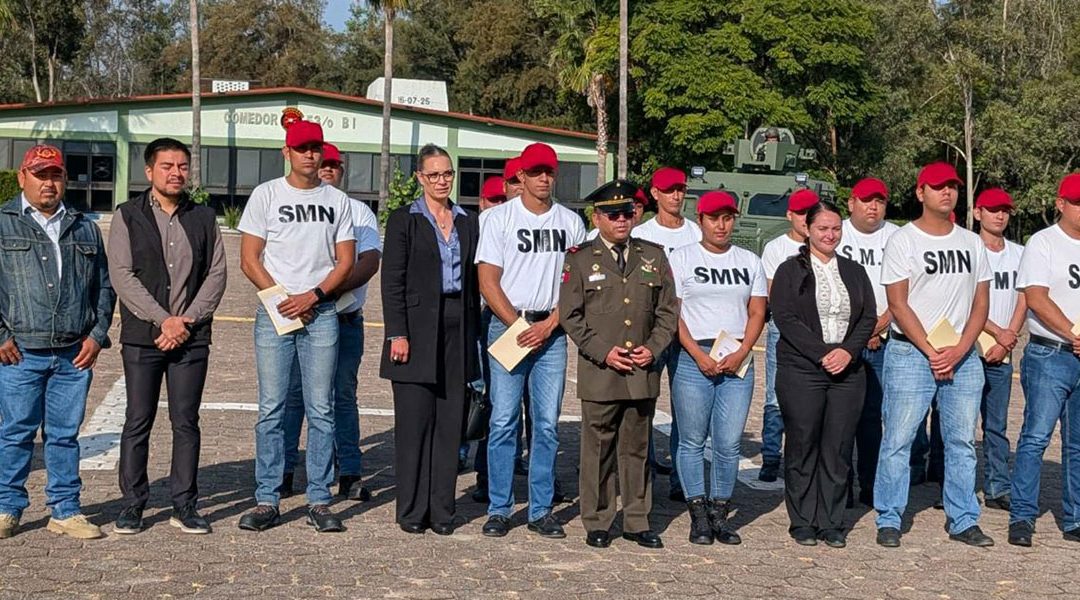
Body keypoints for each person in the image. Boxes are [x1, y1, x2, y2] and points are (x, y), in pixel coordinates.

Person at [237, 120, 355, 533]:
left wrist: (314, 297)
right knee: (271, 408)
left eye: (315, 148)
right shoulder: (266, 194)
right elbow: (249, 258)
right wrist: (284, 300)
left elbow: (346, 261)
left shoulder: (337, 200)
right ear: (286, 152)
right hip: (276, 314)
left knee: (321, 409)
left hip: (321, 314)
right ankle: (267, 499)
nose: (310, 154)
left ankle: (319, 499)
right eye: (301, 148)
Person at [109, 138, 227, 535]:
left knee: (186, 422)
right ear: (149, 171)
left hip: (191, 339)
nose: (176, 173)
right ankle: (132, 505)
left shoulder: (204, 217)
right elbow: (122, 276)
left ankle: (185, 505)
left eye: (182, 166)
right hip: (143, 338)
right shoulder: (127, 215)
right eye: (167, 166)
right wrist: (164, 321)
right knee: (137, 420)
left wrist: (186, 322)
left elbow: (216, 274)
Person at [874, 162, 993, 548]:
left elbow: (981, 303)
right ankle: (889, 517)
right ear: (920, 192)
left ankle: (963, 519)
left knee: (961, 442)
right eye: (939, 186)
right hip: (911, 354)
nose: (947, 192)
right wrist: (930, 350)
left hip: (963, 355)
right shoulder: (903, 240)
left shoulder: (972, 242)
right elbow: (898, 303)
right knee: (898, 439)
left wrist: (959, 350)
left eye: (953, 187)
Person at [0, 144, 115, 540]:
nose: (48, 183)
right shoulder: (3, 224)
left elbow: (104, 287)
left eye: (55, 175)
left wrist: (97, 336)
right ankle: (7, 507)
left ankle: (66, 510)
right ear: (23, 177)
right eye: (40, 175)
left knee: (64, 435)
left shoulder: (84, 227)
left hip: (72, 355)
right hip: (19, 353)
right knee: (15, 433)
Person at [476, 142, 586, 538]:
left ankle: (541, 510)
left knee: (546, 425)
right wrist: (518, 325)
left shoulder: (571, 223)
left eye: (549, 172)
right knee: (503, 421)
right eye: (535, 171)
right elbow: (487, 280)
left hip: (551, 332)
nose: (543, 178)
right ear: (520, 176)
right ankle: (500, 508)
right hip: (508, 326)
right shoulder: (498, 219)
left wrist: (550, 324)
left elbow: (576, 286)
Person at [560, 179, 678, 548]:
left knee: (637, 448)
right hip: (601, 370)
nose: (622, 220)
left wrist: (653, 348)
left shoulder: (653, 256)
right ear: (597, 218)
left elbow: (668, 311)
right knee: (598, 449)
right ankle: (598, 520)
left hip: (641, 369)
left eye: (627, 212)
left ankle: (637, 519)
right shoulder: (579, 258)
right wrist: (603, 352)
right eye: (613, 214)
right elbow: (571, 316)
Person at [381, 144, 480, 535]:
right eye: (434, 174)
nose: (442, 181)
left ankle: (442, 510)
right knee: (415, 424)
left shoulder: (468, 221)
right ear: (420, 178)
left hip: (458, 324)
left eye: (447, 173)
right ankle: (411, 511)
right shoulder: (404, 220)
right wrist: (397, 332)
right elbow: (392, 281)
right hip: (416, 327)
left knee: (449, 423)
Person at [280, 143, 382, 502]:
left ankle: (349, 471)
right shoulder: (287, 202)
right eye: (324, 162)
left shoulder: (357, 211)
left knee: (342, 396)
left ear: (341, 170)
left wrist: (322, 294)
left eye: (334, 164)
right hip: (300, 316)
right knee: (293, 396)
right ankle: (285, 470)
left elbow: (368, 261)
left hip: (343, 316)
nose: (326, 168)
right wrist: (303, 300)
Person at [771, 202, 876, 547]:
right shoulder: (790, 270)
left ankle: (831, 520)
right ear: (808, 230)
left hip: (847, 369)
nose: (830, 235)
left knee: (838, 446)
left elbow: (868, 316)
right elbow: (785, 317)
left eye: (835, 229)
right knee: (803, 443)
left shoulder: (854, 271)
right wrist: (822, 353)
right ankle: (802, 520)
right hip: (803, 368)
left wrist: (847, 351)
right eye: (822, 229)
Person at [668, 191, 766, 546]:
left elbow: (757, 311)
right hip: (694, 356)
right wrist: (697, 354)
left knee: (727, 442)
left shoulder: (749, 260)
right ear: (701, 220)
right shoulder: (682, 258)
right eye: (714, 218)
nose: (721, 225)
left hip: (736, 357)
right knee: (692, 441)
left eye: (727, 218)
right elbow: (673, 313)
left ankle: (720, 513)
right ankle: (698, 515)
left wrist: (742, 351)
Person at [1007, 173, 1080, 547]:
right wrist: (1074, 333)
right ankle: (1022, 515)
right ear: (1060, 204)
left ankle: (1075, 517)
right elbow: (1036, 297)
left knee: (1077, 443)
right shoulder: (1043, 242)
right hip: (1050, 353)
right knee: (1036, 437)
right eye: (1077, 202)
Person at [632, 166, 702, 500]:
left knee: (685, 411)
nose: (676, 195)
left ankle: (680, 477)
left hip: (687, 330)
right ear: (655, 194)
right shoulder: (642, 233)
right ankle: (642, 470)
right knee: (642, 405)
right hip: (650, 331)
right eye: (669, 189)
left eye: (681, 189)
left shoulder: (696, 232)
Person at [837, 177, 899, 507]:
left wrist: (877, 327)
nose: (873, 207)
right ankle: (841, 483)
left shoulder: (898, 237)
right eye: (866, 200)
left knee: (874, 418)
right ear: (851, 203)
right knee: (841, 417)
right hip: (842, 340)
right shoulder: (836, 233)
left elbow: (906, 290)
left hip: (885, 339)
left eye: (879, 201)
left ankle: (871, 483)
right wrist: (860, 333)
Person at [758, 188, 820, 481]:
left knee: (810, 396)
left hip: (818, 330)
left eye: (811, 212)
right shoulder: (776, 248)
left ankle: (802, 457)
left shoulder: (824, 244)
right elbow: (773, 293)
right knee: (774, 395)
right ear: (789, 215)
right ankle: (771, 455)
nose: (806, 218)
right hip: (782, 328)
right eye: (801, 213)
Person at [972, 188, 1025, 512]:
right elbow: (964, 300)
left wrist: (1008, 337)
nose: (1000, 215)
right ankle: (953, 486)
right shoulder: (966, 248)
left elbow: (1025, 297)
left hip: (1003, 351)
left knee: (996, 425)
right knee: (959, 426)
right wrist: (996, 332)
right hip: (968, 349)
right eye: (993, 209)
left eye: (1005, 210)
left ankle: (997, 487)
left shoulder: (1020, 254)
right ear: (978, 213)